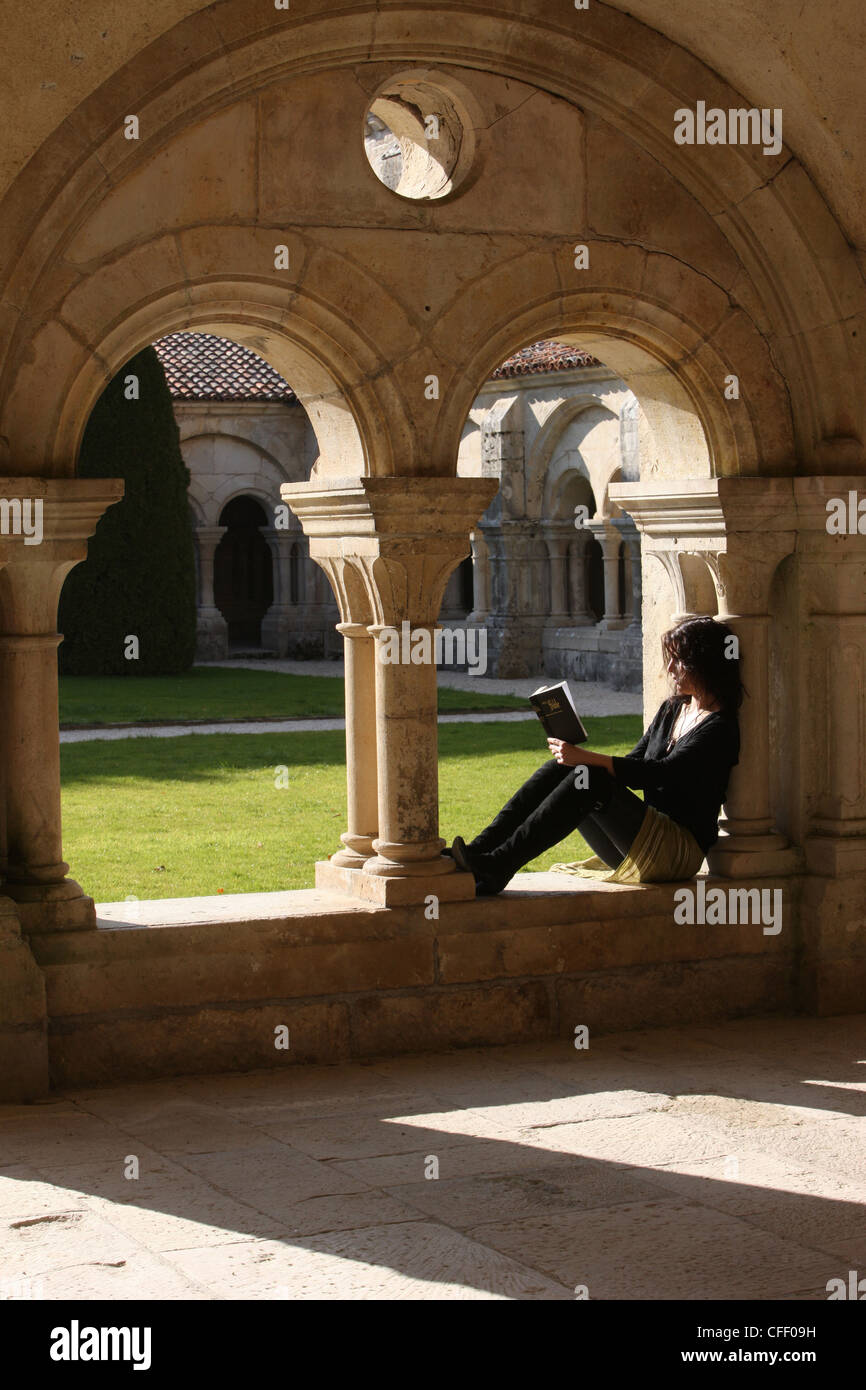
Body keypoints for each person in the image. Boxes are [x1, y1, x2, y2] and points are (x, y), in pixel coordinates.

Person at [451, 615, 743, 896]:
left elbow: (660, 773)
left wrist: (586, 757)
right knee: (563, 768)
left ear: (704, 663)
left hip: (675, 852)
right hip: (635, 840)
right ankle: (478, 851)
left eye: (679, 661)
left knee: (587, 777)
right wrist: (576, 755)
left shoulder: (720, 728)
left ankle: (499, 865)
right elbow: (636, 762)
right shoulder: (673, 709)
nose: (671, 670)